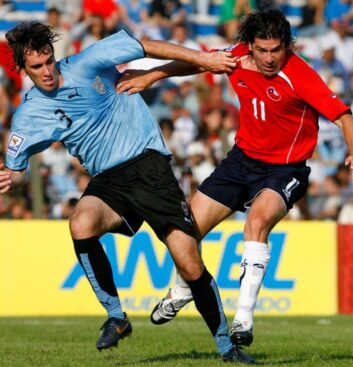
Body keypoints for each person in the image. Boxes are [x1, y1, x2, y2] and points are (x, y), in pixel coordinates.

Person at [0, 21, 254, 364]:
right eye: (36, 66)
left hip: (148, 166)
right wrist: (8, 180)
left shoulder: (86, 62)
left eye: (49, 61)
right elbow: (16, 173)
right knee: (81, 222)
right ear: (22, 69)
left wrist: (202, 58)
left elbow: (144, 44)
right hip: (108, 180)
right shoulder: (28, 116)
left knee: (189, 263)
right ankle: (117, 317)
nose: (47, 71)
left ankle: (227, 347)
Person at [116, 8, 353, 347]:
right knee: (185, 230)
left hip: (286, 168)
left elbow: (345, 117)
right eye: (261, 50)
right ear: (249, 46)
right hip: (241, 161)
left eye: (276, 50)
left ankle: (243, 319)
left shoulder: (300, 74)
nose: (268, 58)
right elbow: (199, 62)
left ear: (287, 46)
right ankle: (183, 288)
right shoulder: (236, 57)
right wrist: (154, 76)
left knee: (257, 222)